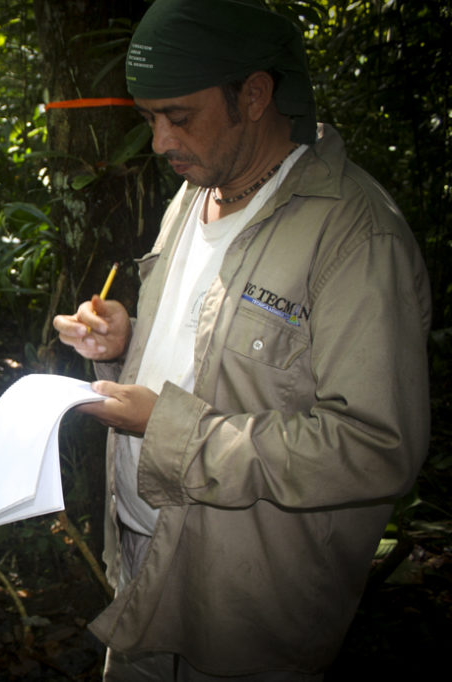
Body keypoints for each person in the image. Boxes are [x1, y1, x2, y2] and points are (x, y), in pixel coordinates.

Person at [52, 0, 431, 679]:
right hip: (144, 558)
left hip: (246, 598)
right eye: (149, 119)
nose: (161, 141)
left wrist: (169, 429)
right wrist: (124, 343)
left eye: (180, 116)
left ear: (254, 94)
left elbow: (377, 448)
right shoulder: (193, 194)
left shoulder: (353, 234)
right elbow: (214, 350)